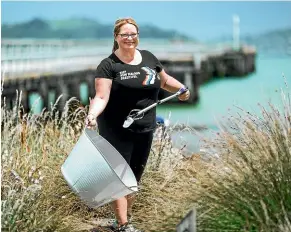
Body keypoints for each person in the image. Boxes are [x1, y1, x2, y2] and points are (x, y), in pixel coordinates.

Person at [86, 17, 190, 232]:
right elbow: (101, 97)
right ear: (116, 37)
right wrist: (92, 115)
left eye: (133, 34)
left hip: (145, 128)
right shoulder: (108, 65)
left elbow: (164, 80)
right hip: (116, 129)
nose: (129, 38)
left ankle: (123, 220)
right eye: (124, 35)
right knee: (119, 178)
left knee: (134, 178)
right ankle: (124, 225)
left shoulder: (149, 58)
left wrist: (182, 89)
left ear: (138, 36)